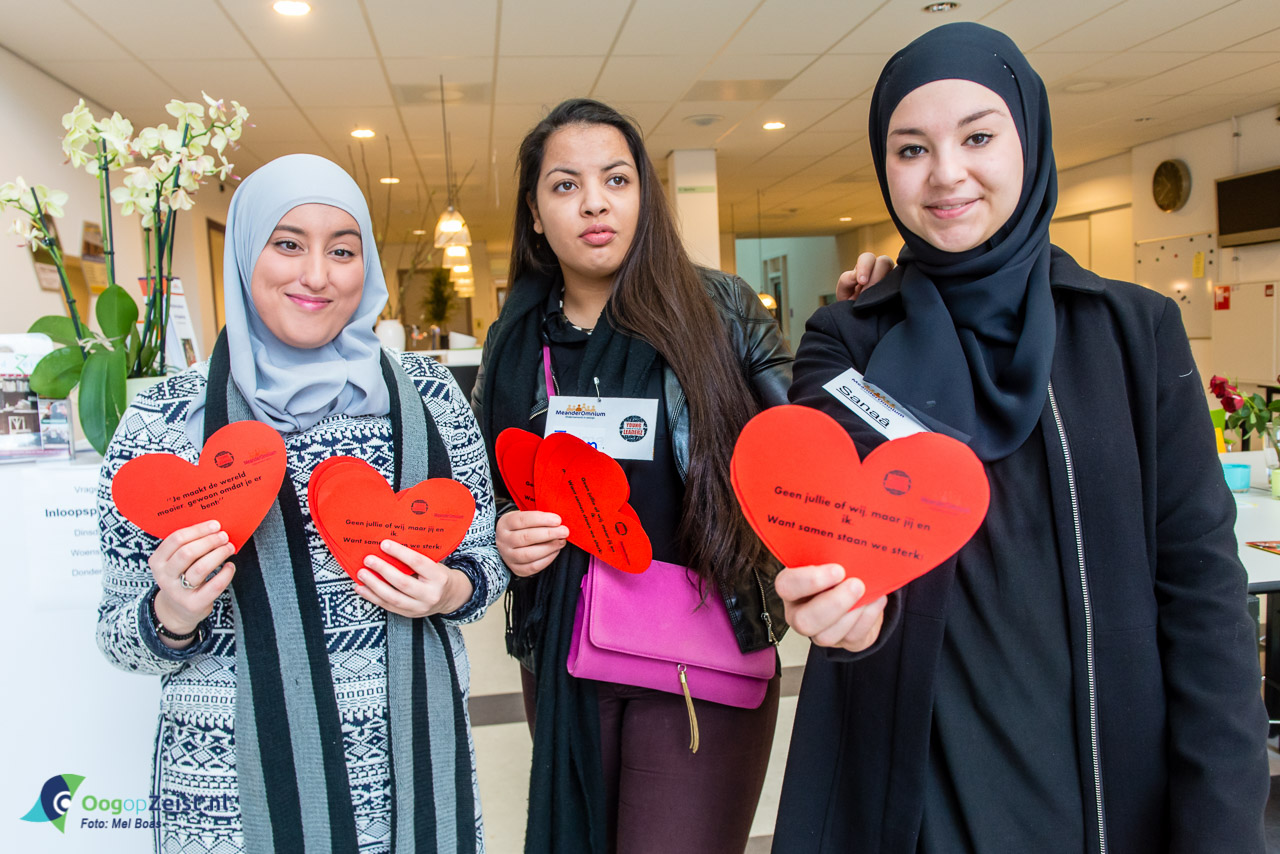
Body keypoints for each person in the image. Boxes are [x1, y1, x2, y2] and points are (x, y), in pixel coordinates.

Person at [772, 22, 1269, 854]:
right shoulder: (848, 341)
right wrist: (848, 610)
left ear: (1030, 142)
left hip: (1106, 792)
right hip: (922, 789)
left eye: (978, 137)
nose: (946, 173)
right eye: (911, 149)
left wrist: (1221, 829)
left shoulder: (1132, 333)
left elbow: (1204, 599)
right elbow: (837, 524)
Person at [96, 154, 507, 853]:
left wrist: (451, 590)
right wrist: (172, 614)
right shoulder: (165, 421)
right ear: (245, 253)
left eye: (342, 250)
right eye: (288, 244)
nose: (317, 274)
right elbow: (116, 635)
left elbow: (484, 558)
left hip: (413, 777)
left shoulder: (428, 396)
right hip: (234, 793)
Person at [471, 97, 795, 854]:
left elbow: (800, 441)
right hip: (565, 651)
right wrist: (503, 530)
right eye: (565, 185)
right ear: (534, 212)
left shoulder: (718, 308)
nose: (595, 202)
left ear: (643, 195)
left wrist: (871, 323)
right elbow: (483, 488)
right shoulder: (514, 339)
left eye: (616, 179)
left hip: (702, 641)